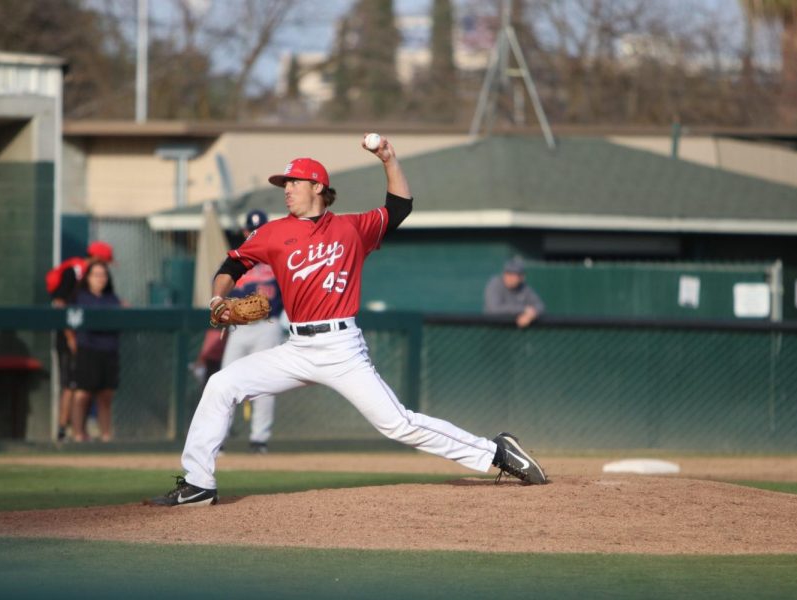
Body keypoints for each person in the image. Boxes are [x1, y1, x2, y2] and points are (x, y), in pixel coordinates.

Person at [148, 135, 548, 507]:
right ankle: (199, 484)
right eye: (283, 183)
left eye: (294, 182)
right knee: (221, 384)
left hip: (341, 348)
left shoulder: (351, 227)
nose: (286, 189)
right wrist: (219, 296)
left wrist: (388, 159)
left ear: (318, 187)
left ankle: (496, 451)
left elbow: (399, 208)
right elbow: (232, 263)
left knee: (397, 424)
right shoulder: (273, 233)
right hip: (296, 347)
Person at [221, 209, 286, 453]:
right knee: (225, 381)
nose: (252, 233)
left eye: (257, 229)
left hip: (267, 327)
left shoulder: (278, 257)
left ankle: (259, 439)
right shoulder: (236, 259)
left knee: (265, 384)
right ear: (244, 232)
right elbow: (220, 287)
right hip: (239, 327)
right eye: (250, 230)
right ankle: (219, 438)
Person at [49, 240, 114, 441]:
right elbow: (59, 303)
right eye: (105, 262)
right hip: (70, 336)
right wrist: (70, 336)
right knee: (71, 385)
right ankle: (63, 430)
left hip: (84, 338)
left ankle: (80, 430)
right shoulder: (74, 271)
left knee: (80, 385)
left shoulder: (89, 275)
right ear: (96, 258)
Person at [69, 260, 122, 442]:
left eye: (103, 275)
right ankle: (77, 434)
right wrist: (72, 341)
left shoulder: (112, 299)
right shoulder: (80, 297)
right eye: (96, 275)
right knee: (82, 393)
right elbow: (69, 322)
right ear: (88, 277)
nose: (100, 279)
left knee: (105, 395)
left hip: (109, 350)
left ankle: (106, 436)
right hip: (87, 349)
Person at [483, 257, 545, 328]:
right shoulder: (495, 284)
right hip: (494, 329)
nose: (509, 277)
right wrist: (523, 310)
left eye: (513, 274)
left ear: (521, 277)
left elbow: (540, 305)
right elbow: (494, 309)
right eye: (508, 273)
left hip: (516, 331)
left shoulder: (524, 288)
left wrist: (531, 315)